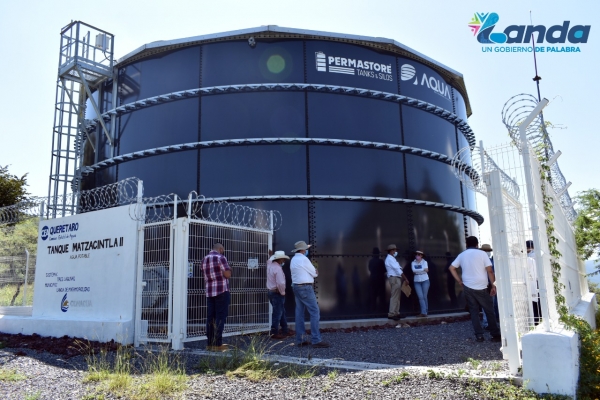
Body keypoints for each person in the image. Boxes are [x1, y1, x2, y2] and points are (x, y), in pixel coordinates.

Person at [449, 236, 501, 342]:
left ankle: (479, 335)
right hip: (482, 286)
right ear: (477, 245)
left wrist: (459, 281)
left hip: (468, 286)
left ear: (466, 244)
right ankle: (495, 334)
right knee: (489, 311)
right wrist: (493, 285)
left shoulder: (462, 255)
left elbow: (452, 268)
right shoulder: (482, 254)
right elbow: (490, 271)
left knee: (474, 311)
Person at [290, 240, 330, 348]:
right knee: (314, 311)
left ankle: (301, 339)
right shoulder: (304, 259)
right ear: (303, 250)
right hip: (306, 288)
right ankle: (316, 340)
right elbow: (314, 273)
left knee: (299, 313)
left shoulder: (293, 259)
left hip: (296, 287)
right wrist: (315, 270)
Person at [201, 243, 232, 351]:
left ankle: (210, 343)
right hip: (221, 290)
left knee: (210, 317)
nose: (223, 251)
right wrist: (229, 270)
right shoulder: (221, 257)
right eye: (222, 250)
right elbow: (227, 274)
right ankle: (218, 344)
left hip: (209, 291)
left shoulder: (205, 259)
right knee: (220, 317)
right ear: (220, 249)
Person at [267, 250, 292, 339]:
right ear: (280, 259)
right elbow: (281, 283)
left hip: (271, 291)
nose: (284, 261)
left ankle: (285, 330)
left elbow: (269, 261)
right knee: (278, 313)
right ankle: (274, 332)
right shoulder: (277, 268)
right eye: (283, 259)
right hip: (277, 293)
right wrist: (283, 292)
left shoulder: (270, 265)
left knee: (281, 311)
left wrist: (270, 255)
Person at [385, 244, 409, 321]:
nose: (396, 252)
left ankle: (396, 312)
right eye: (395, 250)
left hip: (396, 278)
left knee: (397, 296)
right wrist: (405, 278)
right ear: (392, 251)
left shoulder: (392, 259)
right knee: (395, 296)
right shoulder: (390, 259)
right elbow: (398, 270)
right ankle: (392, 313)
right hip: (394, 278)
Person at [480, 243, 499, 329]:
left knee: (490, 305)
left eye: (488, 251)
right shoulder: (491, 261)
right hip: (489, 284)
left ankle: (489, 322)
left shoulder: (483, 261)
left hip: (487, 284)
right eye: (486, 251)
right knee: (489, 304)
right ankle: (488, 323)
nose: (488, 252)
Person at [526, 240, 542, 325]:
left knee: (533, 301)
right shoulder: (539, 254)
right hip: (539, 279)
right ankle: (539, 318)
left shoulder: (530, 256)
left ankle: (535, 319)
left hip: (532, 280)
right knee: (538, 299)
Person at [411, 250, 430, 317]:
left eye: (419, 254)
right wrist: (422, 270)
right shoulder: (413, 262)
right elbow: (413, 271)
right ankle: (424, 312)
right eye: (416, 254)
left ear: (421, 255)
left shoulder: (425, 262)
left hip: (425, 280)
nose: (417, 256)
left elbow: (426, 270)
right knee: (420, 297)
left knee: (424, 296)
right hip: (417, 281)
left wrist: (418, 271)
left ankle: (425, 311)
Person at [368, 247, 387, 312]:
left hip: (372, 279)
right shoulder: (380, 261)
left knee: (373, 295)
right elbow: (384, 270)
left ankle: (373, 309)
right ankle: (382, 309)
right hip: (380, 279)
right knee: (381, 295)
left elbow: (369, 269)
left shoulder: (370, 261)